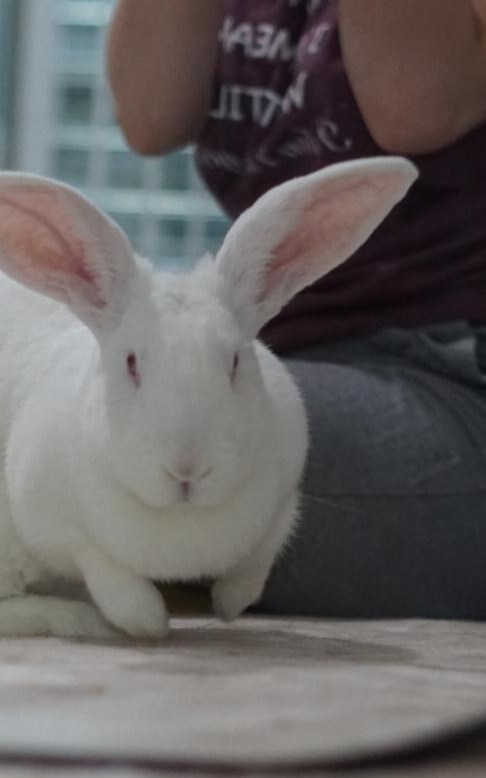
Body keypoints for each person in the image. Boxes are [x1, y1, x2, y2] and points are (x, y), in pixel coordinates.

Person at [106, 0, 486, 618]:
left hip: (457, 373)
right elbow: (150, 113)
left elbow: (414, 103)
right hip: (298, 364)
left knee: (112, 482)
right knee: (76, 436)